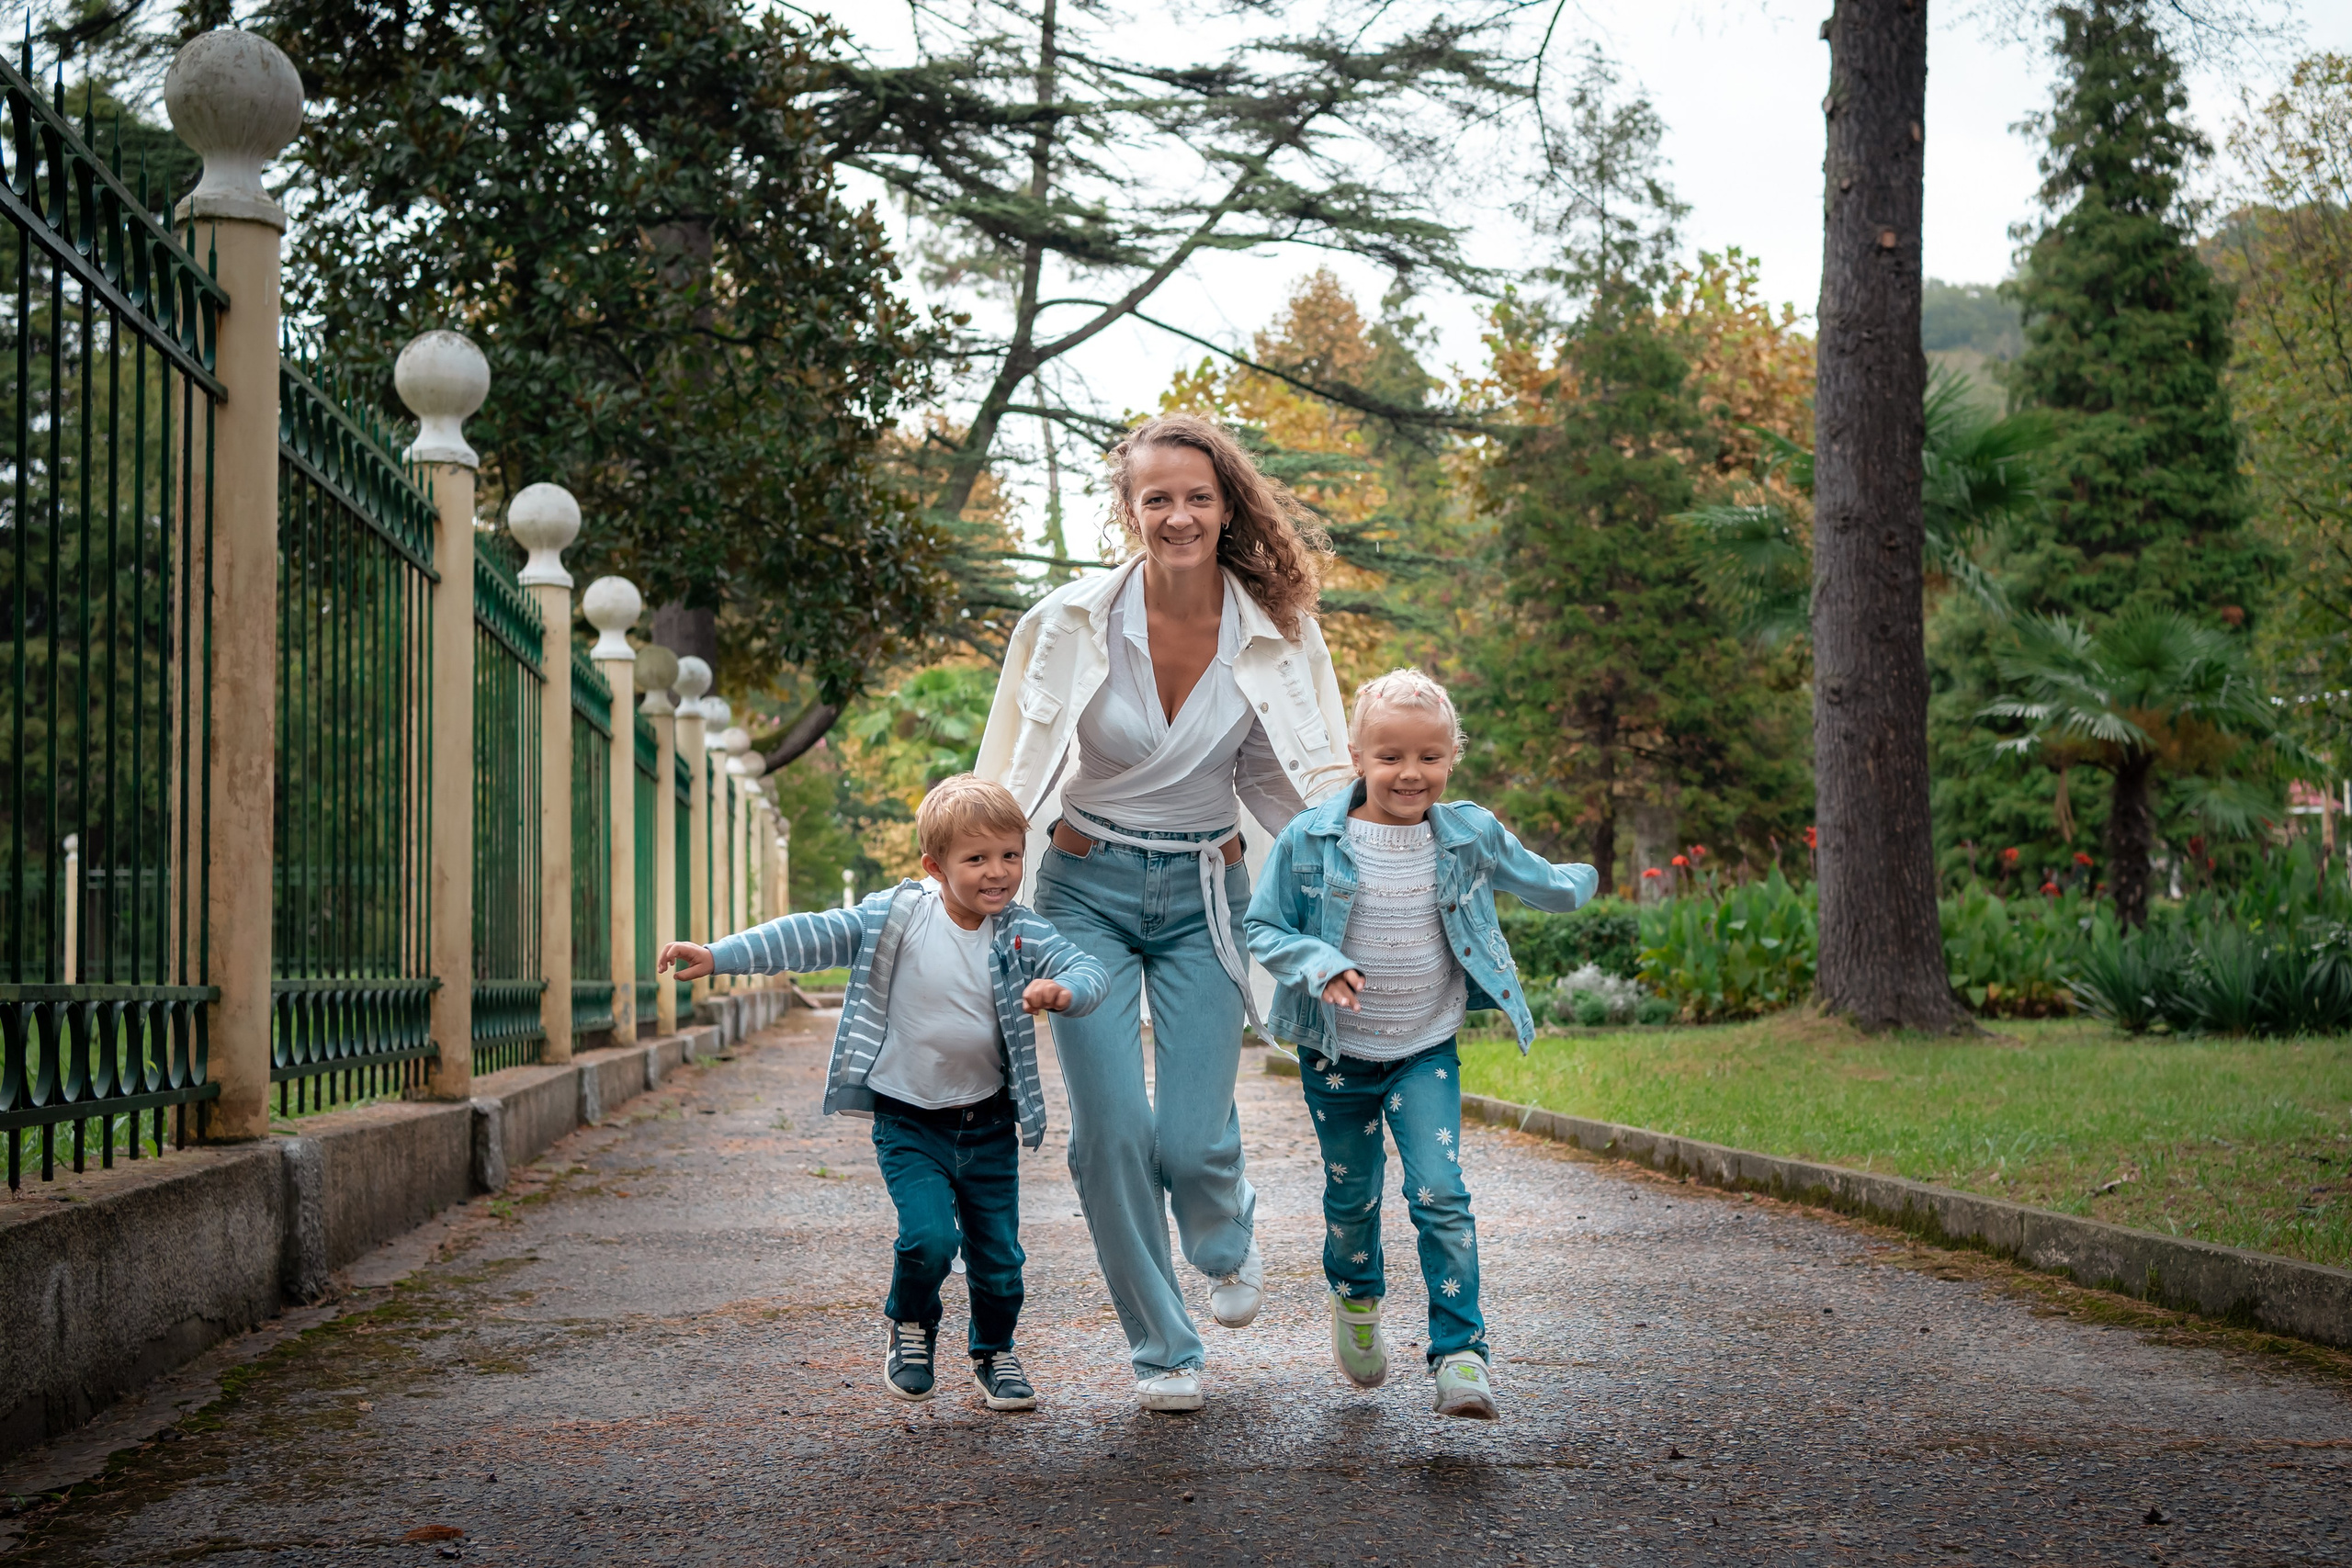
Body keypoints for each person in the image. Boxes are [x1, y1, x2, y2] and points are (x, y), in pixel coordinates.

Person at [974, 412, 1351, 1412]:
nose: (1177, 516)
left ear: (1227, 507)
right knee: (1108, 1135)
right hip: (1080, 895)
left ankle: (1225, 1232)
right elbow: (1009, 762)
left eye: (1197, 497)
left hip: (1205, 900)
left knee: (1187, 1138)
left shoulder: (1278, 633)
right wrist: (970, 880)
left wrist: (1362, 866)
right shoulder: (1063, 625)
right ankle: (1163, 1350)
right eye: (1157, 499)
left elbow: (1291, 782)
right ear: (1129, 508)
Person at [658, 774, 1108, 1413]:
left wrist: (1066, 992)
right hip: (908, 1120)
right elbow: (809, 934)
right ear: (935, 864)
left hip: (986, 1124)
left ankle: (994, 1349)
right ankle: (913, 1321)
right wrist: (719, 953)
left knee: (1001, 1258)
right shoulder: (899, 915)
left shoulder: (1018, 930)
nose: (998, 872)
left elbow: (1085, 966)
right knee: (929, 1239)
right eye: (976, 858)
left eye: (1010, 855)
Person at [1243, 670, 1597, 1419]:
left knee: (1440, 1191)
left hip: (1424, 1047)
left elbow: (1537, 879)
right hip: (1336, 1052)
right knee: (1353, 1196)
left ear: (1452, 756)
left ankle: (1461, 1352)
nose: (1411, 773)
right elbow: (1265, 928)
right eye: (1391, 755)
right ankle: (1358, 1295)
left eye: (1430, 756)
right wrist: (1320, 962)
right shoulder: (1310, 837)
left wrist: (1578, 885)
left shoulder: (1468, 831)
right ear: (1357, 754)